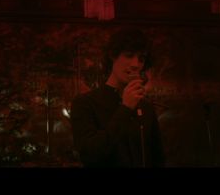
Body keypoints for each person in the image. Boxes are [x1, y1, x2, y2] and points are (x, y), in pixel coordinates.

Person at [70, 28, 165, 167]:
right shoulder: (85, 103)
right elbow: (90, 154)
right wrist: (125, 109)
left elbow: (157, 157)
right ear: (113, 55)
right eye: (129, 55)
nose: (135, 64)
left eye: (141, 59)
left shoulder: (145, 107)